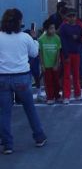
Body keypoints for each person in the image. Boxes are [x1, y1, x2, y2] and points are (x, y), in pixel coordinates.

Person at [0, 8, 47, 154]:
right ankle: (39, 137)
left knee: (4, 112)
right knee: (29, 108)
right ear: (19, 22)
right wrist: (34, 39)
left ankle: (7, 144)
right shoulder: (24, 37)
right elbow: (33, 53)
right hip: (21, 76)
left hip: (2, 77)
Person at [59, 8, 82, 104]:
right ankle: (66, 96)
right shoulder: (64, 27)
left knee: (76, 75)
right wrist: (66, 55)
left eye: (74, 16)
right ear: (67, 17)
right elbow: (63, 42)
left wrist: (78, 38)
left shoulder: (79, 27)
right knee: (66, 75)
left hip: (76, 53)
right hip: (67, 54)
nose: (72, 18)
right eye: (70, 16)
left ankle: (78, 94)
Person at [39, 19, 62, 105]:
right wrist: (42, 65)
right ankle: (50, 97)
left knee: (56, 81)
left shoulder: (57, 38)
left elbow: (58, 52)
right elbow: (40, 53)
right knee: (48, 82)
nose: (53, 30)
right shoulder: (41, 39)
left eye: (54, 28)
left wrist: (57, 63)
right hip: (46, 64)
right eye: (51, 28)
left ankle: (57, 95)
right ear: (46, 29)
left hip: (54, 64)